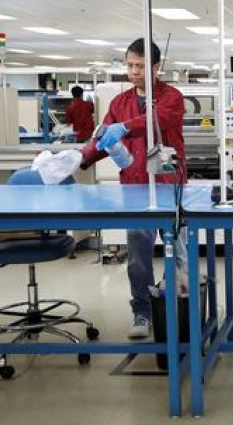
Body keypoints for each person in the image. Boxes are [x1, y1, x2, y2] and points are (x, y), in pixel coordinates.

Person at [79, 38, 188, 339]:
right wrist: (81, 158)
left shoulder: (172, 97)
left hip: (169, 188)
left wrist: (125, 127)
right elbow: (104, 138)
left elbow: (157, 119)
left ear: (156, 67)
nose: (134, 71)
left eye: (140, 66)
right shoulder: (119, 103)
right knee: (139, 258)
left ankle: (177, 309)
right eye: (130, 65)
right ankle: (142, 312)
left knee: (180, 257)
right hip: (135, 188)